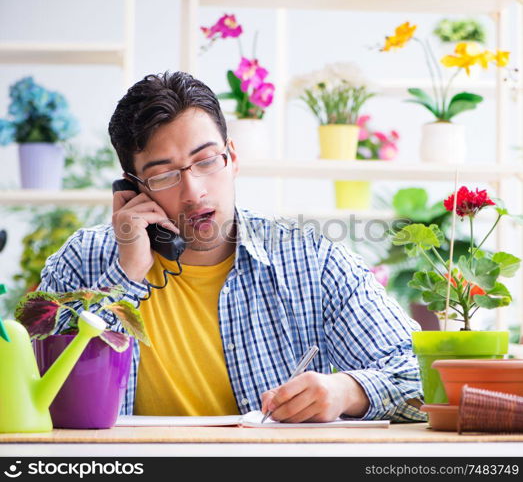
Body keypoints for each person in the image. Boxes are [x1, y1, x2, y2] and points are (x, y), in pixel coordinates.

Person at [39, 71, 425, 423]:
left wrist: (348, 391)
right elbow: (33, 388)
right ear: (132, 187)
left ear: (233, 158)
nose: (194, 191)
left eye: (206, 161)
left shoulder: (312, 259)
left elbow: (423, 375)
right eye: (164, 175)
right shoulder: (83, 261)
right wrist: (124, 277)